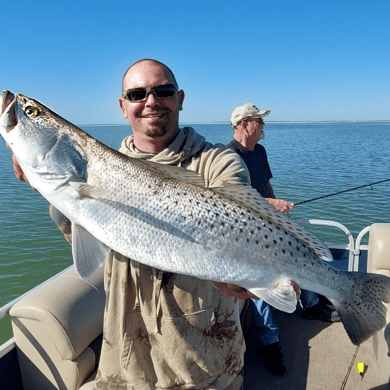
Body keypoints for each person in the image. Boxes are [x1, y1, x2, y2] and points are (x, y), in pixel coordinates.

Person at [9, 59, 264, 390]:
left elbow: (239, 203)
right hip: (124, 367)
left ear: (180, 98)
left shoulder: (218, 161)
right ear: (123, 106)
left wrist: (254, 275)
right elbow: (90, 247)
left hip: (205, 368)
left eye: (163, 91)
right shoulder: (102, 168)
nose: (151, 101)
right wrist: (56, 194)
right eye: (137, 93)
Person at [227, 103, 340, 376]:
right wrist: (271, 203)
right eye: (259, 121)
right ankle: (269, 343)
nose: (263, 126)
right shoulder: (228, 155)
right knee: (262, 282)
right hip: (246, 233)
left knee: (303, 252)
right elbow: (233, 198)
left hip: (272, 223)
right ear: (243, 125)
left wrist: (279, 213)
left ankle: (311, 305)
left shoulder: (260, 151)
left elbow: (266, 185)